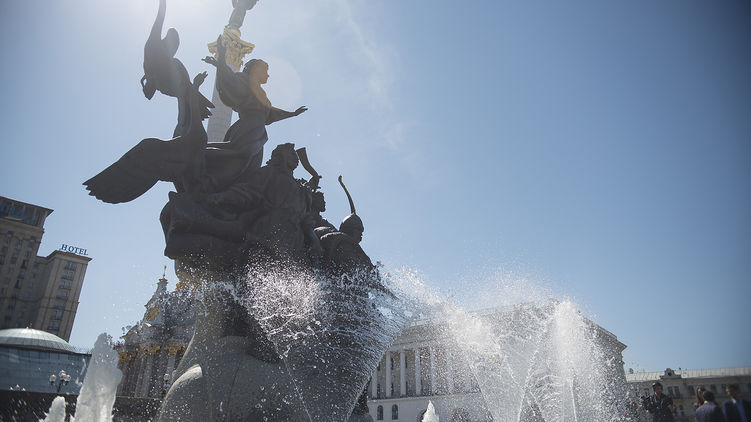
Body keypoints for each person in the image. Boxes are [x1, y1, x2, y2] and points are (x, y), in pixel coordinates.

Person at [202, 37, 307, 190]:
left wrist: (292, 114)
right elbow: (229, 82)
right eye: (265, 71)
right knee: (240, 151)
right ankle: (201, 150)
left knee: (250, 166)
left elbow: (269, 113)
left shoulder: (260, 91)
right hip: (248, 125)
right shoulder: (243, 80)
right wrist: (221, 60)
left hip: (258, 129)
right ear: (255, 69)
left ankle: (232, 187)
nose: (268, 75)